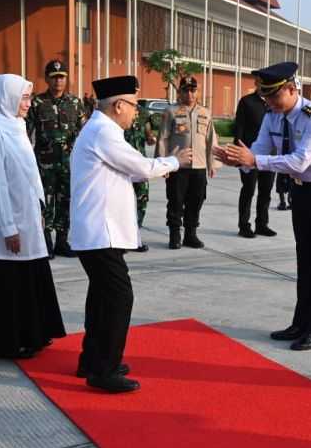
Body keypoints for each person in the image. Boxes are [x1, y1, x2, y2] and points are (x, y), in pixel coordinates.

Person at [70, 75, 191, 393]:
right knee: (118, 298)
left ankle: (93, 360)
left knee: (101, 298)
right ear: (118, 105)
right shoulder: (103, 132)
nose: (137, 112)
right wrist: (175, 162)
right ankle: (104, 370)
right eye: (134, 105)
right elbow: (140, 168)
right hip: (101, 233)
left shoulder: (102, 130)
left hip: (100, 232)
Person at [214, 62, 311, 351]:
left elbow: (299, 161)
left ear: (291, 88)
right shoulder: (272, 117)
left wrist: (254, 161)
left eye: (274, 96)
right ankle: (301, 323)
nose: (269, 102)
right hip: (302, 193)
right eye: (265, 97)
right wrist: (238, 160)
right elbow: (259, 150)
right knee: (306, 260)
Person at [0, 74, 66, 359]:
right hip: (4, 220)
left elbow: (29, 173)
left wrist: (37, 210)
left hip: (25, 214)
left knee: (29, 276)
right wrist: (8, 227)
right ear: (4, 97)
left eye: (29, 97)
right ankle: (7, 342)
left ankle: (32, 333)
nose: (28, 103)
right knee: (7, 282)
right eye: (24, 97)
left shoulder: (15, 125)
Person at [26, 59, 86, 258]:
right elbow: (25, 133)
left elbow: (84, 133)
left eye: (61, 77)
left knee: (66, 202)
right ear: (46, 79)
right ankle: (46, 242)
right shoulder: (37, 103)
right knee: (45, 203)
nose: (58, 81)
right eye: (54, 78)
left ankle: (62, 241)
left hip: (69, 164)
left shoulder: (75, 103)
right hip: (44, 164)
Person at [155, 76, 220, 249]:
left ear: (197, 92)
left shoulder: (205, 112)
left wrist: (212, 163)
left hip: (199, 166)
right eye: (186, 90)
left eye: (193, 90)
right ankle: (175, 235)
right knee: (175, 200)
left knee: (196, 200)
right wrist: (163, 165)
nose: (190, 94)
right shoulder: (171, 111)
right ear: (180, 92)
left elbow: (211, 140)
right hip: (178, 166)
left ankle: (190, 234)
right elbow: (163, 138)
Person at [233, 82, 276, 238]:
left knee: (266, 191)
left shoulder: (273, 103)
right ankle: (244, 225)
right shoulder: (247, 102)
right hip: (249, 155)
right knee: (248, 190)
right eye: (260, 83)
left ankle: (262, 224)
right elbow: (239, 128)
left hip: (270, 156)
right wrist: (238, 154)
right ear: (256, 84)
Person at [123, 107, 157, 252]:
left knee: (141, 200)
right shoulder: (120, 111)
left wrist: (150, 138)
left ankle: (134, 238)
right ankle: (122, 241)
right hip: (123, 165)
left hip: (140, 164)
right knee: (122, 203)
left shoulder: (143, 114)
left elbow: (148, 133)